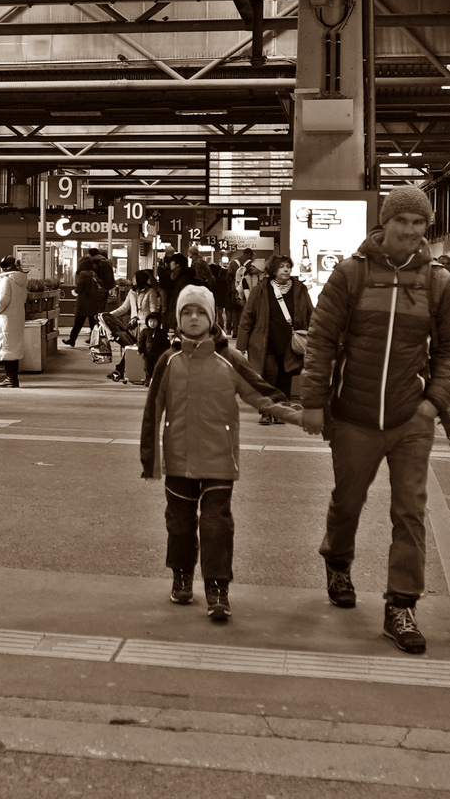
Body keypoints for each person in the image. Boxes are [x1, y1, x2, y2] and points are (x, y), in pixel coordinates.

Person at [298, 184, 450, 655]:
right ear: (384, 224)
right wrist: (313, 402)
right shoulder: (350, 275)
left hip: (412, 418)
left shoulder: (438, 283)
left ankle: (401, 605)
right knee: (347, 501)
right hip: (354, 415)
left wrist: (434, 402)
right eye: (402, 222)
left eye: (419, 223)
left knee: (409, 511)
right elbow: (322, 340)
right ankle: (338, 559)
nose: (411, 231)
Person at [140, 286, 302, 622]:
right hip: (179, 461)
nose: (194, 318)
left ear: (212, 317)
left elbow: (263, 395)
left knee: (217, 525)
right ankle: (181, 575)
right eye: (187, 312)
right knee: (179, 523)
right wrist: (150, 460)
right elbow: (152, 409)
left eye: (200, 312)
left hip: (219, 460)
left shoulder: (229, 359)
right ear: (178, 318)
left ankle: (217, 585)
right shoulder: (167, 360)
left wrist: (304, 418)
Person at [235, 254, 313, 422]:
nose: (286, 270)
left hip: (290, 341)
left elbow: (310, 313)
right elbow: (248, 316)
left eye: (288, 266)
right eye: (282, 267)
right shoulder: (262, 289)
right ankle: (266, 410)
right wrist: (242, 343)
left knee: (286, 375)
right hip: (265, 340)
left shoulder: (299, 289)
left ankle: (281, 411)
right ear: (273, 270)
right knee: (269, 374)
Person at [109, 268, 162, 382]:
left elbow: (153, 311)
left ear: (139, 280)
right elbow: (124, 308)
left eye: (134, 278)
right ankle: (122, 370)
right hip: (134, 327)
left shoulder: (150, 292)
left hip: (145, 327)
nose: (133, 280)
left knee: (139, 349)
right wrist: (109, 315)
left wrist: (149, 322)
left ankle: (121, 370)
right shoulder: (131, 293)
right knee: (131, 348)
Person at [0, 257, 27, 388]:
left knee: (6, 347)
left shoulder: (6, 280)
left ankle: (10, 378)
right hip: (17, 316)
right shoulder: (22, 281)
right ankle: (13, 378)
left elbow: (2, 301)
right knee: (14, 347)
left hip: (6, 318)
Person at [65, 249, 110, 348]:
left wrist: (75, 292)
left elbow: (80, 286)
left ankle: (72, 340)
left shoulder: (83, 274)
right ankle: (94, 341)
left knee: (78, 323)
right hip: (93, 302)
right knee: (93, 324)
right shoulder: (93, 273)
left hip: (83, 302)